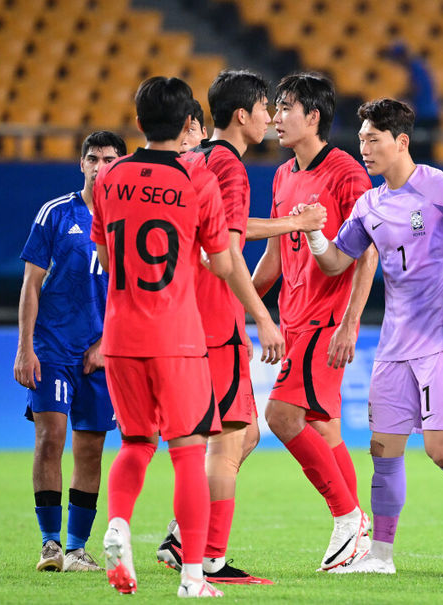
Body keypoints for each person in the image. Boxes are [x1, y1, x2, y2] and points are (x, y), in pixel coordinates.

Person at [300, 97, 443, 575]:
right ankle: (380, 557)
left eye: (372, 139)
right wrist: (313, 234)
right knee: (383, 453)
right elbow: (337, 262)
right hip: (393, 346)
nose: (364, 148)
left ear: (401, 141)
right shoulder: (369, 203)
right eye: (361, 139)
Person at [155, 69, 296, 585]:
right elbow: (229, 250)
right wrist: (263, 317)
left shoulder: (197, 161)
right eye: (266, 109)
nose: (272, 118)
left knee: (245, 432)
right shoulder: (230, 169)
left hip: (190, 316)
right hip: (218, 318)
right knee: (229, 438)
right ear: (243, 114)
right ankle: (208, 556)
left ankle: (181, 536)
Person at [92, 76, 230, 597]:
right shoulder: (199, 180)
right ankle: (193, 577)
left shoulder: (108, 179)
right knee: (189, 453)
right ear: (190, 125)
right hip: (176, 335)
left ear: (138, 123)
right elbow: (221, 260)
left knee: (133, 442)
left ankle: (119, 524)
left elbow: (106, 258)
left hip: (121, 335)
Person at [251, 71, 376, 571]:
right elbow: (274, 259)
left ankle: (347, 520)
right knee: (322, 427)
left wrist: (350, 323)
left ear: (314, 117)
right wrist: (243, 303)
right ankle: (358, 527)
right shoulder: (283, 175)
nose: (277, 118)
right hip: (293, 319)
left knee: (281, 417)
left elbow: (366, 254)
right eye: (276, 109)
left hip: (327, 319)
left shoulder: (346, 174)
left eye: (286, 109)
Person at [15, 131, 126, 574]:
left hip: (103, 355)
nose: (100, 167)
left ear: (121, 165)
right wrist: (26, 348)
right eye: (93, 159)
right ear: (81, 164)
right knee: (50, 439)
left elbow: (132, 289)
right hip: (53, 348)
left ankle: (78, 548)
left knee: (91, 450)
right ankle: (50, 544)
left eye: (110, 159)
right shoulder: (55, 214)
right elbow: (30, 285)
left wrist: (106, 343)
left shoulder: (129, 220)